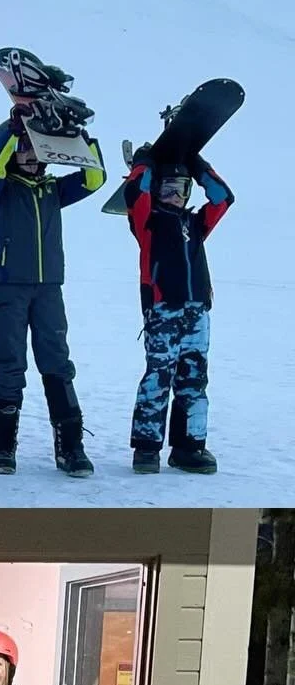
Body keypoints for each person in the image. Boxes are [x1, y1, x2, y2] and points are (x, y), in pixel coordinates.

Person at [0, 114, 105, 477]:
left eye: (37, 150)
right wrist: (13, 131)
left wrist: (79, 141)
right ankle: (1, 448)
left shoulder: (53, 190)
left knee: (58, 364)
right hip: (9, 286)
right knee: (9, 365)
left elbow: (95, 179)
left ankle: (71, 448)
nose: (31, 157)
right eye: (24, 150)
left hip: (49, 288)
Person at [123, 147, 232, 475]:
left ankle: (189, 447)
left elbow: (223, 198)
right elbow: (133, 191)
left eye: (182, 190)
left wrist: (196, 165)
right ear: (157, 190)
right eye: (169, 189)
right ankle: (146, 448)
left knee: (194, 380)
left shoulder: (196, 223)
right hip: (164, 311)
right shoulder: (148, 221)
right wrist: (146, 163)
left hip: (197, 313)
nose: (176, 196)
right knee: (158, 377)